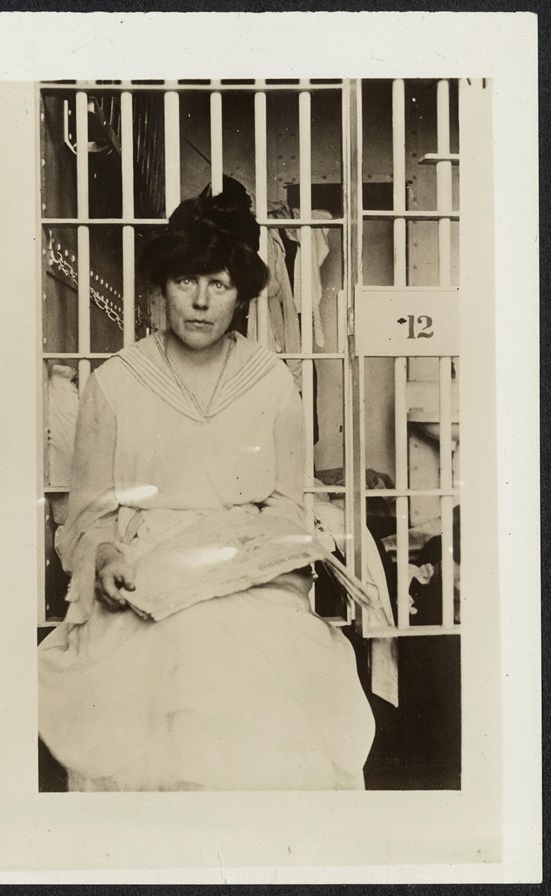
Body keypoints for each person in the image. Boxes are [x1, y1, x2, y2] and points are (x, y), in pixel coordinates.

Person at [38, 181, 375, 791]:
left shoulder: (272, 382)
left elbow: (287, 504)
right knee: (177, 653)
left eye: (218, 284)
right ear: (161, 287)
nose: (199, 302)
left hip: (245, 571)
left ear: (241, 294)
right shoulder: (115, 383)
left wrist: (250, 554)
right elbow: (87, 514)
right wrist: (107, 554)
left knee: (265, 674)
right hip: (146, 573)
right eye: (185, 281)